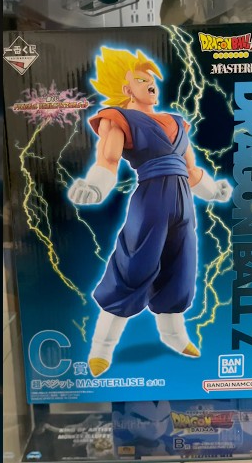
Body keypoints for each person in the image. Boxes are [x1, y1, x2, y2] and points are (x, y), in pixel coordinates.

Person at [67, 47, 233, 377]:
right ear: (126, 89)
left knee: (181, 265)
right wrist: (95, 187)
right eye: (141, 80)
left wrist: (213, 190)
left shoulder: (176, 122)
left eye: (151, 79)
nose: (150, 84)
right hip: (151, 200)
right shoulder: (119, 118)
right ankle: (102, 346)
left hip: (184, 204)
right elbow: (108, 159)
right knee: (134, 265)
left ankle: (173, 335)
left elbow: (190, 169)